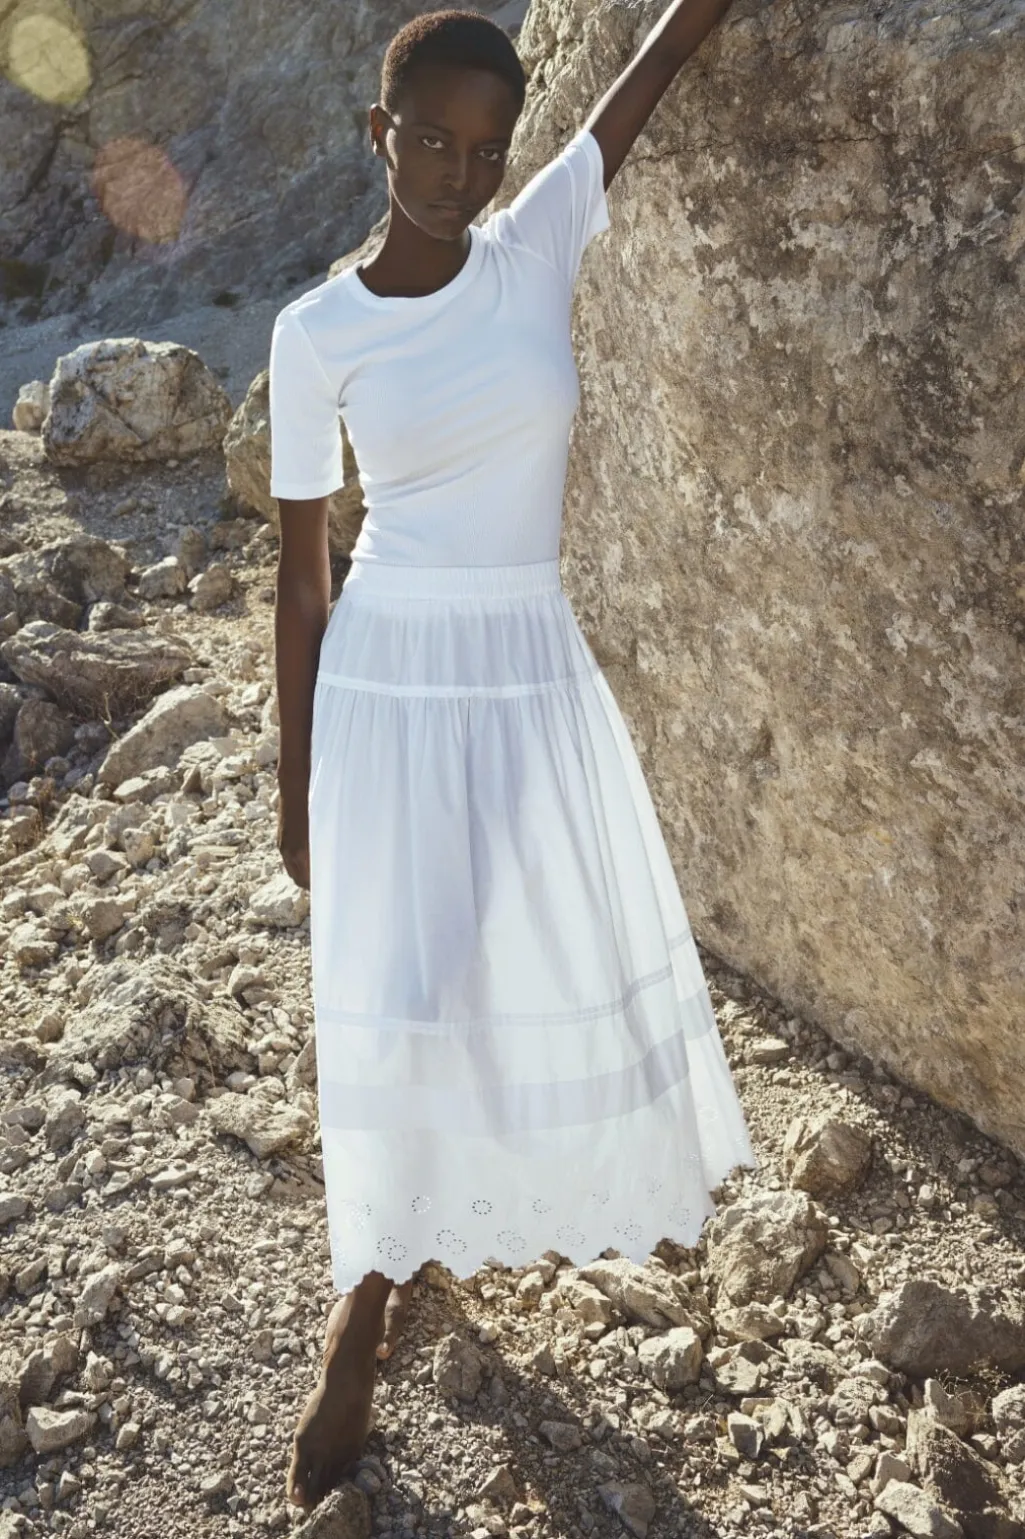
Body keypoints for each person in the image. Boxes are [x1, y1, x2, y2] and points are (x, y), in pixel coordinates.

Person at [269, 1, 754, 1511]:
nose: (458, 175)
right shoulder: (315, 333)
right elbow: (301, 579)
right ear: (379, 133)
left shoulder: (535, 243)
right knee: (400, 996)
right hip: (389, 684)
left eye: (486, 150)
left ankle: (431, 1220)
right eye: (431, 139)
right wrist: (294, 788)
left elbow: (652, 69)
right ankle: (363, 1307)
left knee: (482, 967)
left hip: (529, 671)